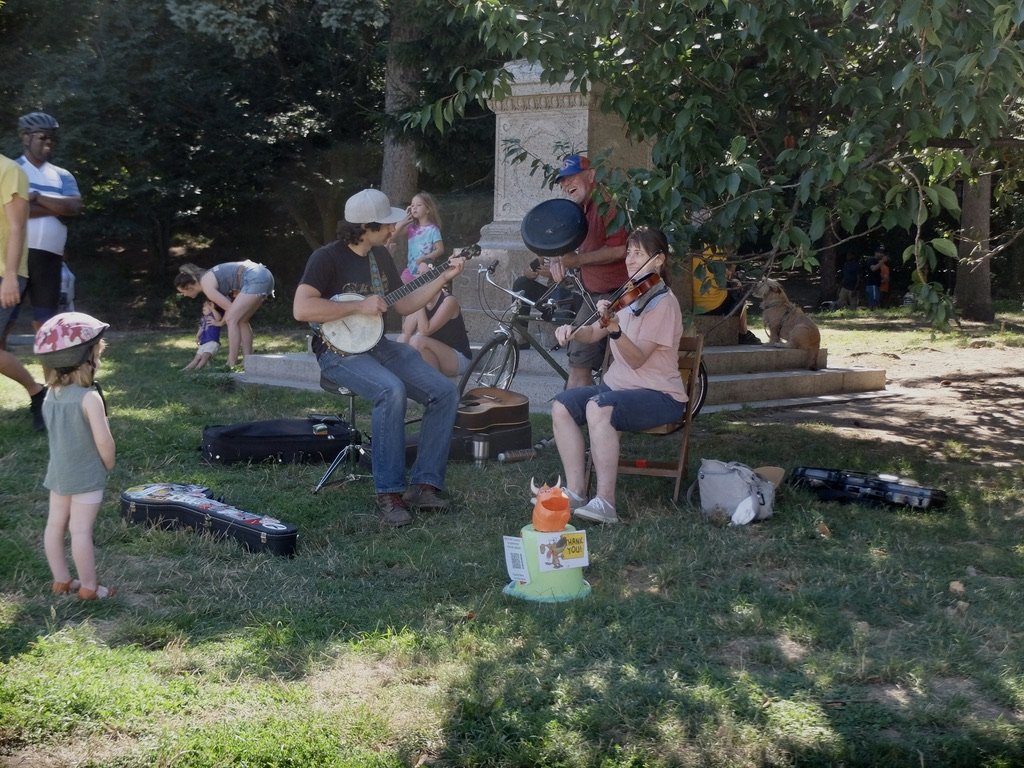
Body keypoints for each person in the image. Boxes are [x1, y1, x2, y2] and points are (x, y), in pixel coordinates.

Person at [293, 188, 467, 527]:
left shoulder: (380, 257)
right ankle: (389, 493)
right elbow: (301, 308)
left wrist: (443, 277)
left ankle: (425, 486)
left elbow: (403, 304)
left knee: (445, 392)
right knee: (391, 390)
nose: (394, 228)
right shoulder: (326, 258)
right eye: (386, 225)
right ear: (365, 227)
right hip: (336, 352)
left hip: (377, 345)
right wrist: (359, 304)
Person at [551, 227, 687, 524]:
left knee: (599, 407)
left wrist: (615, 329)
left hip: (660, 396)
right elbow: (592, 332)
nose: (630, 259)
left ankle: (606, 503)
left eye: (638, 253)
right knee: (562, 405)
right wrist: (572, 331)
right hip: (617, 388)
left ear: (659, 259)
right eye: (628, 252)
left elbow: (637, 359)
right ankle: (575, 492)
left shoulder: (664, 302)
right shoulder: (628, 294)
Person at [33, 312, 117, 600]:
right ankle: (91, 588)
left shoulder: (50, 395)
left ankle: (61, 580)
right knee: (80, 531)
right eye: (97, 353)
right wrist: (108, 464)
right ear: (87, 359)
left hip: (58, 475)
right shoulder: (89, 398)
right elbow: (104, 442)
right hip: (86, 477)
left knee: (55, 526)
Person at [546, 154, 629, 388]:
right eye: (562, 180)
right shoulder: (578, 209)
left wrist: (578, 260)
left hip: (619, 295)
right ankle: (571, 418)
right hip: (591, 296)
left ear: (591, 175)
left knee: (612, 369)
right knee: (578, 363)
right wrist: (556, 259)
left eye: (571, 177)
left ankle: (598, 418)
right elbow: (560, 242)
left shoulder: (607, 202)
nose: (565, 184)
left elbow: (619, 250)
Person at [16, 112, 83, 330]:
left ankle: (50, 365)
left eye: (52, 138)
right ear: (26, 137)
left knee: (47, 323)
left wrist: (35, 197)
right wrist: (56, 208)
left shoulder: (62, 175)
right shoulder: (12, 170)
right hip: (15, 254)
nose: (49, 142)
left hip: (50, 257)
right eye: (42, 137)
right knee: (4, 320)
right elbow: (14, 209)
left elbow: (73, 207)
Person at [0, 154, 48, 431]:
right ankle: (37, 392)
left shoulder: (9, 170)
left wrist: (9, 276)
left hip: (5, 272)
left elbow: (18, 227)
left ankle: (36, 391)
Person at [173, 260, 275, 368]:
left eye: (183, 292)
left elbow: (230, 309)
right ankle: (248, 361)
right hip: (264, 275)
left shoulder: (207, 286)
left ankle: (231, 363)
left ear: (189, 287)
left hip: (255, 278)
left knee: (232, 319)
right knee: (242, 320)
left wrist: (221, 322)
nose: (184, 295)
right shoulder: (207, 279)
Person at [398, 286, 472, 377]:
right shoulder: (423, 302)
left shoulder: (448, 301)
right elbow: (407, 331)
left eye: (423, 276)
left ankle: (433, 383)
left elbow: (425, 331)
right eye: (417, 275)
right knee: (402, 339)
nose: (418, 281)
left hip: (458, 358)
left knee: (417, 341)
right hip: (433, 354)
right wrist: (416, 302)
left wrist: (420, 302)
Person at [691, 247, 760, 344]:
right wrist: (733, 277)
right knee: (738, 288)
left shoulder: (689, 248)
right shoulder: (715, 249)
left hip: (694, 306)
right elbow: (723, 280)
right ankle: (743, 333)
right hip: (716, 306)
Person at [391, 192, 444, 283]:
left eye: (419, 205)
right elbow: (393, 233)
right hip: (410, 270)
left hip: (424, 270)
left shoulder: (433, 229)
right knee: (400, 289)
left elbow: (440, 250)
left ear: (428, 209)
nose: (414, 207)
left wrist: (426, 257)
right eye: (412, 206)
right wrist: (404, 218)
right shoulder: (411, 228)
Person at [183, 299, 224, 371]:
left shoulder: (214, 315)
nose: (203, 307)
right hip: (204, 342)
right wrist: (197, 336)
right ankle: (186, 370)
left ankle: (197, 370)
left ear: (212, 306)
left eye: (206, 305)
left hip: (212, 341)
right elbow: (201, 328)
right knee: (197, 358)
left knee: (205, 356)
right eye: (203, 306)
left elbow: (219, 318)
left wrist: (212, 309)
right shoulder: (203, 318)